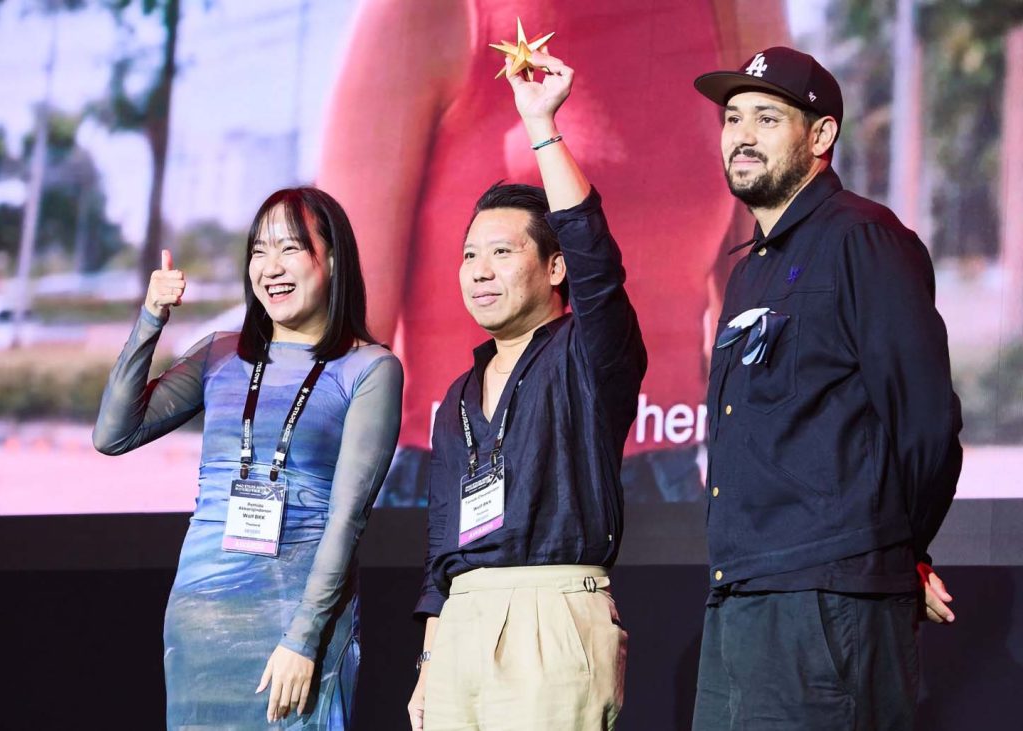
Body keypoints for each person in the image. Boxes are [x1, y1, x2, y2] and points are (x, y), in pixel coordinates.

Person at [319, 0, 788, 505]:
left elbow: (759, 310)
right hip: (473, 477)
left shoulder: (738, 11)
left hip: (664, 484)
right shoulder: (427, 13)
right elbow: (345, 345)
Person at [690, 47, 963, 730]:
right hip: (742, 595)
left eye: (766, 118)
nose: (741, 135)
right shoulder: (749, 270)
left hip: (827, 598)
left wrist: (897, 551)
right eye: (732, 118)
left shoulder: (864, 239)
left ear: (820, 135)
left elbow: (926, 424)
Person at [93, 187, 403, 729]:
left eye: (290, 248)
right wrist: (150, 317)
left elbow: (347, 519)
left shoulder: (370, 369)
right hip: (201, 618)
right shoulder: (219, 354)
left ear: (333, 259)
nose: (270, 267)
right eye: (259, 250)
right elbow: (113, 434)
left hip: (295, 621)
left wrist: (304, 637)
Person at [406, 51, 645, 730]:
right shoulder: (457, 396)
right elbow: (441, 547)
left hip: (554, 612)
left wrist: (541, 126)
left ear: (555, 267)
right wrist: (428, 664)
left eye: (502, 252)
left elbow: (597, 259)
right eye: (469, 255)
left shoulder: (588, 352)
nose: (479, 271)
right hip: (460, 627)